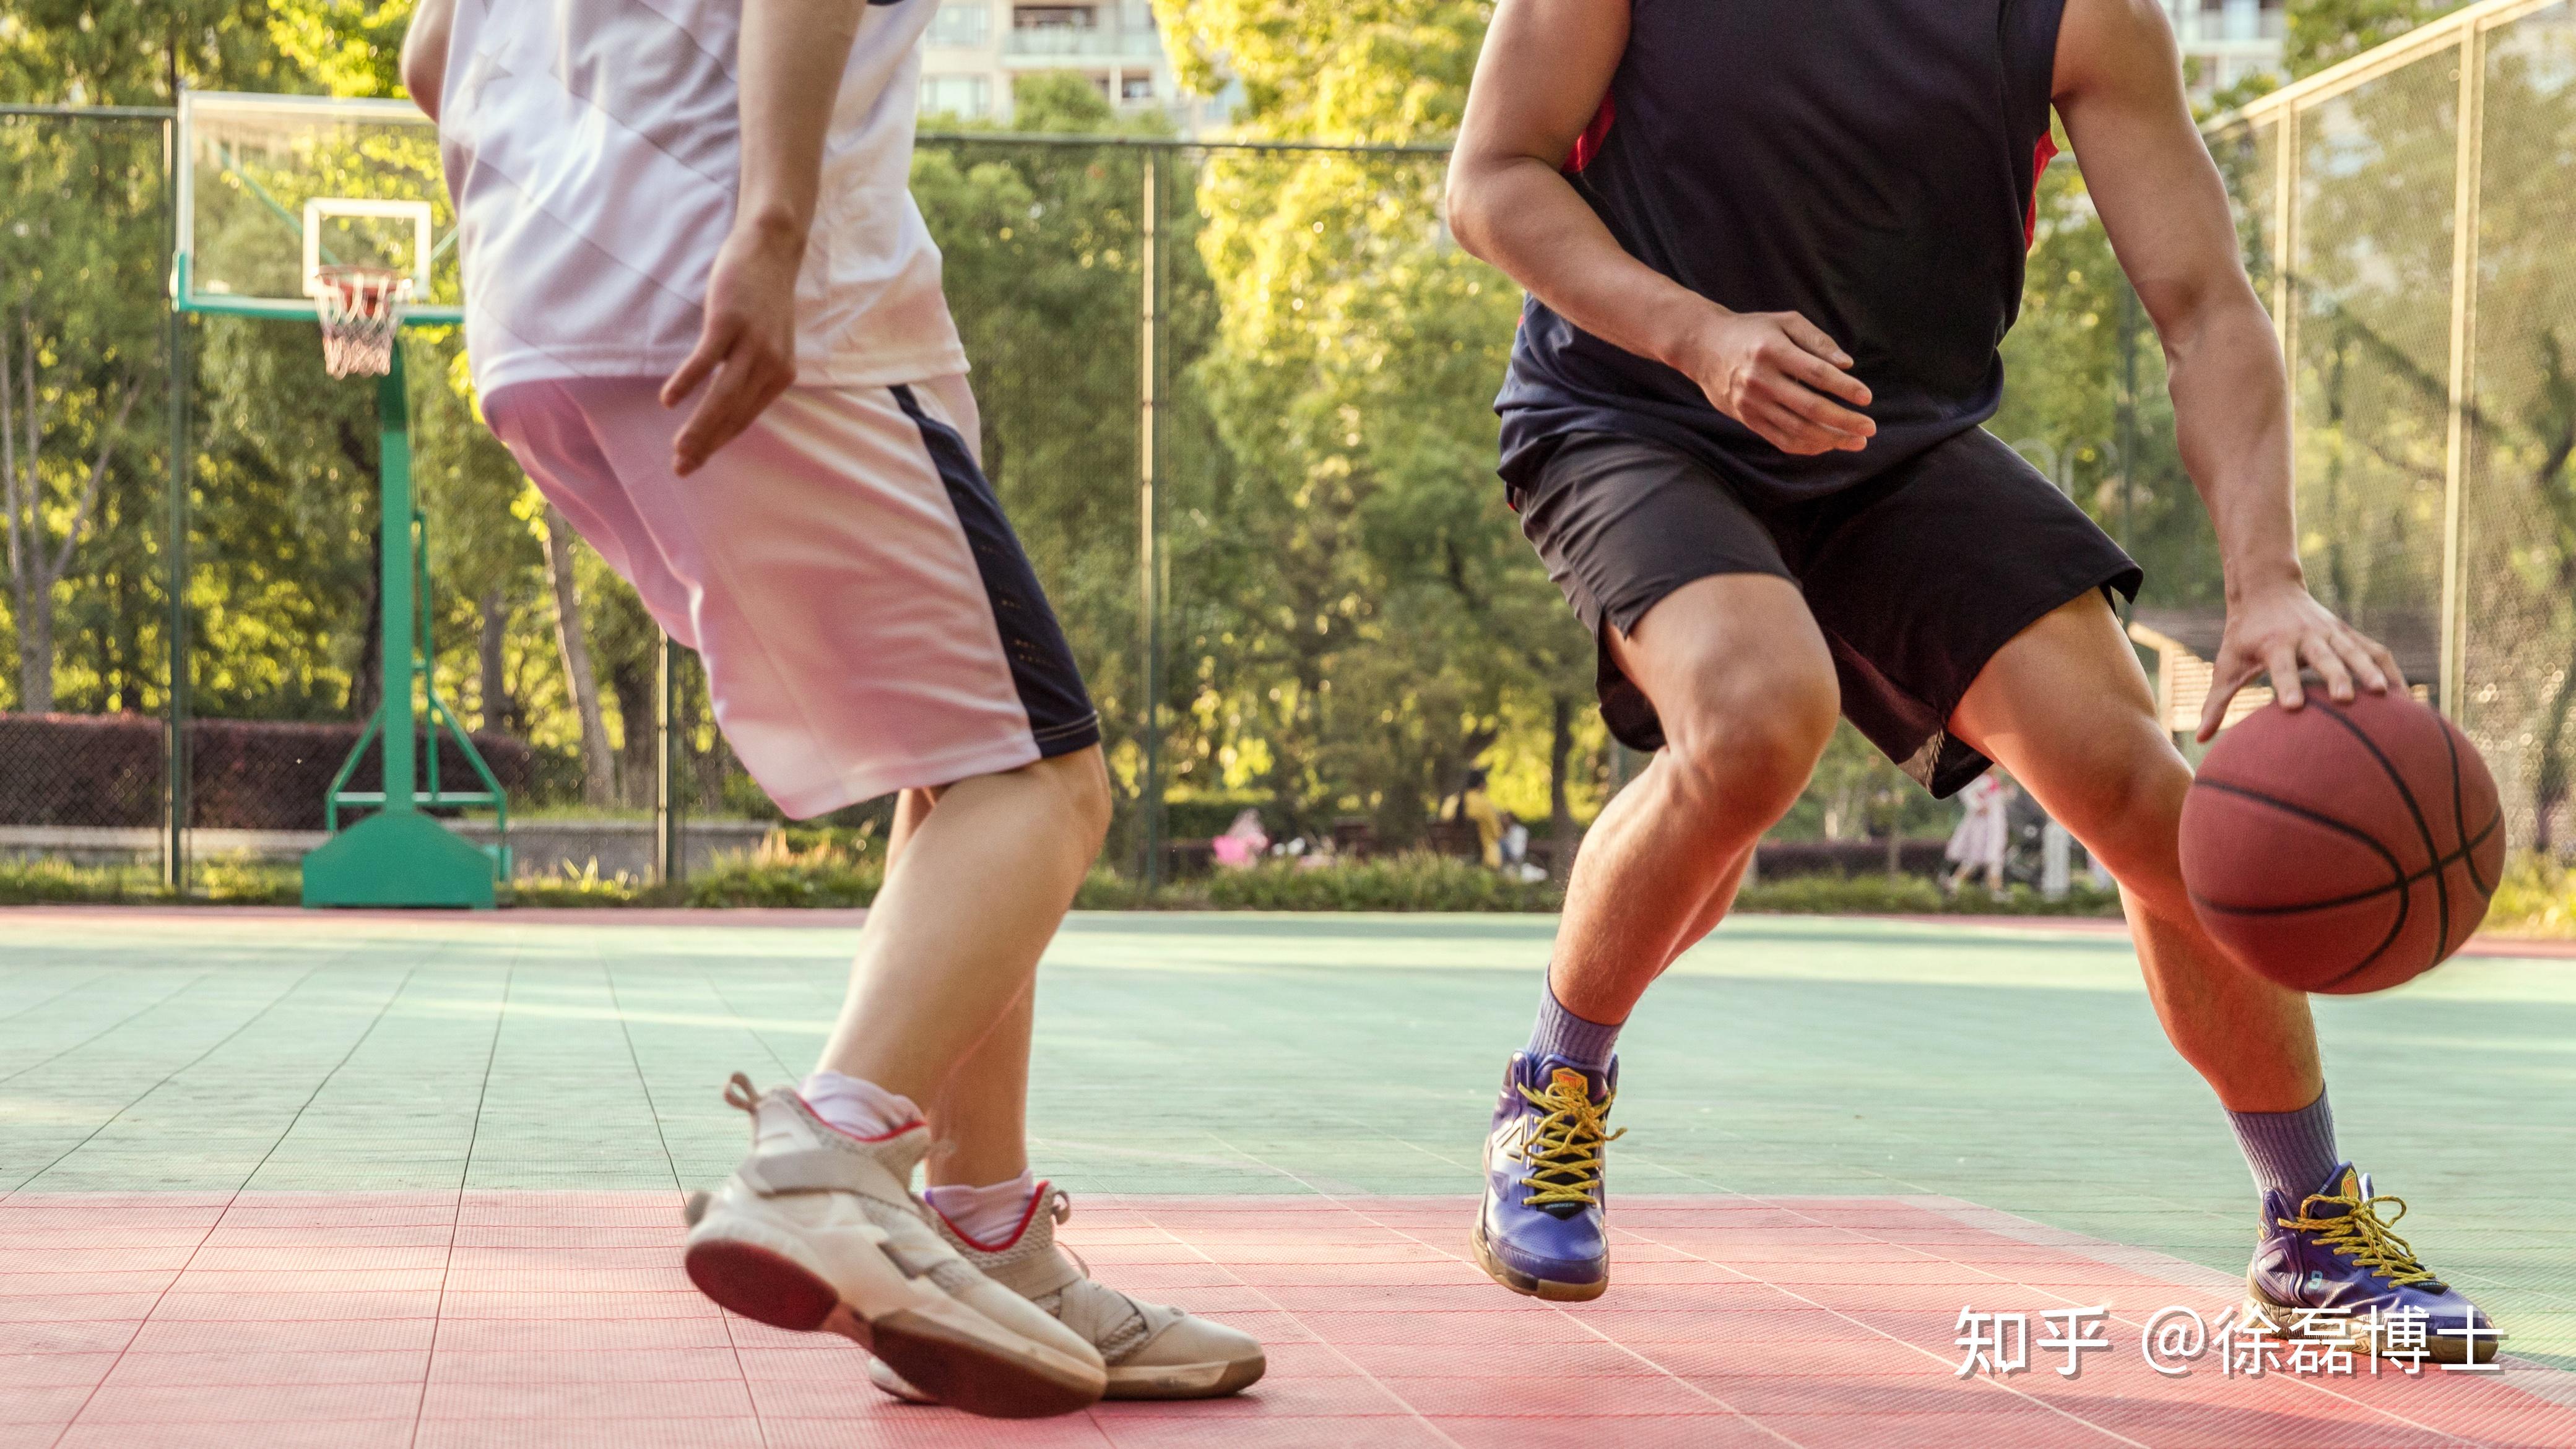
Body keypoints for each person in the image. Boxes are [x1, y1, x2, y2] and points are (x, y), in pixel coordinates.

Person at [1442, 0, 2497, 1360]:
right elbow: (1490, 182)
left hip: (1890, 443)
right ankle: (1553, 1091)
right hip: (1634, 410)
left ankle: (2303, 1224)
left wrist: (2264, 581)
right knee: (1759, 719)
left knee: (2151, 802)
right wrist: (1698, 335)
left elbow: (2201, 305)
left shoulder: (2079, 17)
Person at [401, 0, 1263, 1416]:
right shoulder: (757, 238)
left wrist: (566, 227)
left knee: (967, 751)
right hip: (745, 276)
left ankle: (988, 1233)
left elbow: (432, 58)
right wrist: (770, 226)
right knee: (1046, 786)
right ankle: (829, 1156)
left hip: (542, 297)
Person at [1945, 771, 2016, 894]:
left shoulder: (1995, 780)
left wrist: (2007, 792)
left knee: (1993, 861)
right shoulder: (1983, 780)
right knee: (1977, 860)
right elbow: (1966, 793)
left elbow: (2001, 799)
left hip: (1995, 825)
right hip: (1983, 826)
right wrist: (1979, 806)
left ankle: (1995, 893)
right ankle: (1955, 884)